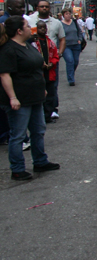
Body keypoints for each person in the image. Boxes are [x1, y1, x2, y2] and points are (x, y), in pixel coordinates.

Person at [1, 16, 60, 180]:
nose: (30, 28)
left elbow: (36, 67)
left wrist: (42, 88)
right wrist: (13, 97)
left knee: (38, 130)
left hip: (35, 96)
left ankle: (40, 161)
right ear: (19, 31)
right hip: (20, 100)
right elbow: (5, 75)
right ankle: (18, 168)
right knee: (18, 134)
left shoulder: (27, 45)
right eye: (27, 26)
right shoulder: (9, 49)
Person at [25, 0, 65, 121]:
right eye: (42, 6)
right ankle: (38, 111)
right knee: (38, 87)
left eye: (46, 7)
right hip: (36, 63)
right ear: (37, 8)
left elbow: (62, 38)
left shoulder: (56, 23)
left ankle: (51, 110)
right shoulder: (29, 20)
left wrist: (59, 54)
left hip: (51, 62)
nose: (44, 8)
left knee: (52, 87)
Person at [0, 0, 26, 145]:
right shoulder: (3, 22)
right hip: (8, 68)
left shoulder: (22, 21)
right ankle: (8, 135)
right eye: (18, 7)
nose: (22, 9)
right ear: (9, 7)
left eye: (23, 6)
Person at [31, 21, 59, 124]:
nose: (43, 29)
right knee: (40, 95)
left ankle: (48, 115)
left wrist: (52, 63)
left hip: (49, 73)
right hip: (39, 73)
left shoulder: (50, 42)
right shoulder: (33, 43)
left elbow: (55, 55)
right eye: (40, 27)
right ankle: (40, 116)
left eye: (44, 27)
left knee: (50, 95)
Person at [60, 8, 83, 87]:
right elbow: (58, 35)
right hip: (66, 46)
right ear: (63, 15)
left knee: (75, 61)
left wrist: (80, 39)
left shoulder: (74, 22)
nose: (68, 15)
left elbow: (79, 32)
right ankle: (71, 79)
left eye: (69, 14)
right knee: (70, 61)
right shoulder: (61, 24)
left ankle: (71, 73)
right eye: (66, 14)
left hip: (76, 45)